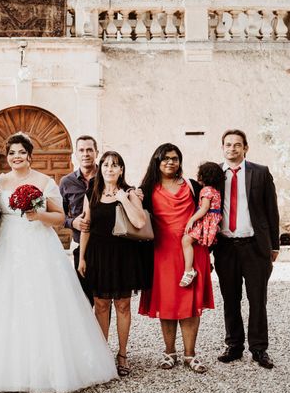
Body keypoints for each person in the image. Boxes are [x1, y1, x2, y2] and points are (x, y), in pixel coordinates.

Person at [0, 132, 117, 393]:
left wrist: (38, 214)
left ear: (29, 155)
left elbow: (60, 217)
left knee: (44, 304)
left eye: (21, 152)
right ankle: (6, 371)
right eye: (11, 153)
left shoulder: (44, 180)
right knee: (4, 304)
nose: (16, 157)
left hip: (39, 246)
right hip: (6, 248)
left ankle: (51, 370)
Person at [138, 143, 215, 373]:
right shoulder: (148, 188)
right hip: (162, 254)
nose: (170, 162)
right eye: (165, 158)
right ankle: (169, 352)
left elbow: (210, 210)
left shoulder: (192, 185)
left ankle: (190, 355)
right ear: (157, 161)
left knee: (190, 304)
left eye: (175, 158)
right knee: (168, 303)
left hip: (192, 253)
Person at [77, 151, 153, 377]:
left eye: (115, 165)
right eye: (106, 165)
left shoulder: (130, 193)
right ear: (101, 168)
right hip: (97, 254)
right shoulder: (91, 192)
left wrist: (122, 198)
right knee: (100, 305)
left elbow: (139, 222)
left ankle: (122, 355)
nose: (110, 168)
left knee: (122, 306)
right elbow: (86, 226)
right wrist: (82, 257)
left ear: (121, 170)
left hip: (123, 255)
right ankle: (102, 355)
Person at [213, 129, 280, 369]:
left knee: (257, 299)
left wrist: (274, 245)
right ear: (222, 147)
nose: (232, 149)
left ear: (245, 148)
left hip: (254, 246)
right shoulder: (213, 175)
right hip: (225, 247)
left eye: (237, 145)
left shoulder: (260, 173)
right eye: (228, 145)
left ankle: (259, 349)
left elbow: (271, 210)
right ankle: (234, 345)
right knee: (230, 298)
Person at [59, 135, 98, 305]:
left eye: (89, 149)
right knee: (84, 299)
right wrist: (72, 222)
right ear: (76, 153)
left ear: (96, 152)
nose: (86, 153)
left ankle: (103, 333)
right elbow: (59, 214)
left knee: (104, 299)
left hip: (106, 245)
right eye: (81, 150)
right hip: (80, 248)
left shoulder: (107, 177)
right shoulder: (66, 182)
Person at [180, 162, 225, 287]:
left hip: (205, 221)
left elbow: (204, 208)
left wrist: (192, 220)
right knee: (202, 246)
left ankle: (189, 270)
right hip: (213, 222)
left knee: (186, 241)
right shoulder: (216, 190)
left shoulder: (206, 190)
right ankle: (207, 265)